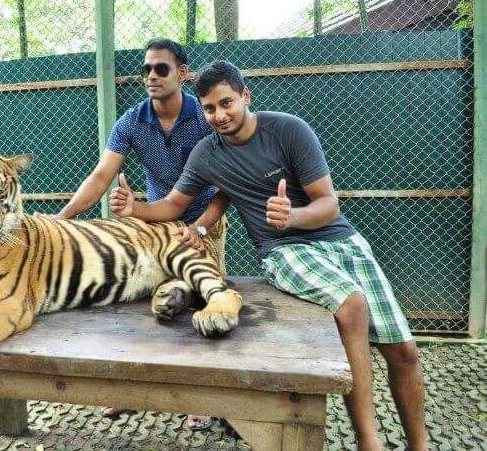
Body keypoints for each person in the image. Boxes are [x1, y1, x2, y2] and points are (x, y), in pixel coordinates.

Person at [110, 60, 428, 451]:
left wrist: (292, 214)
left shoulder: (289, 130)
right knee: (353, 305)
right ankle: (369, 442)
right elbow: (175, 203)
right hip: (284, 250)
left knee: (405, 352)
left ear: (245, 96)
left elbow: (329, 204)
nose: (219, 116)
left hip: (341, 241)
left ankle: (420, 445)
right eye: (209, 109)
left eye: (226, 103)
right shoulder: (208, 153)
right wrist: (134, 208)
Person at [58, 38, 226, 430]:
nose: (151, 76)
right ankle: (130, 392)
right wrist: (63, 217)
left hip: (202, 222)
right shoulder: (132, 121)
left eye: (161, 69)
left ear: (182, 73)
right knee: (137, 304)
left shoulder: (206, 117)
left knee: (202, 301)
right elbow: (101, 176)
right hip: (152, 223)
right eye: (146, 69)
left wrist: (203, 227)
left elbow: (225, 189)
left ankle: (202, 396)